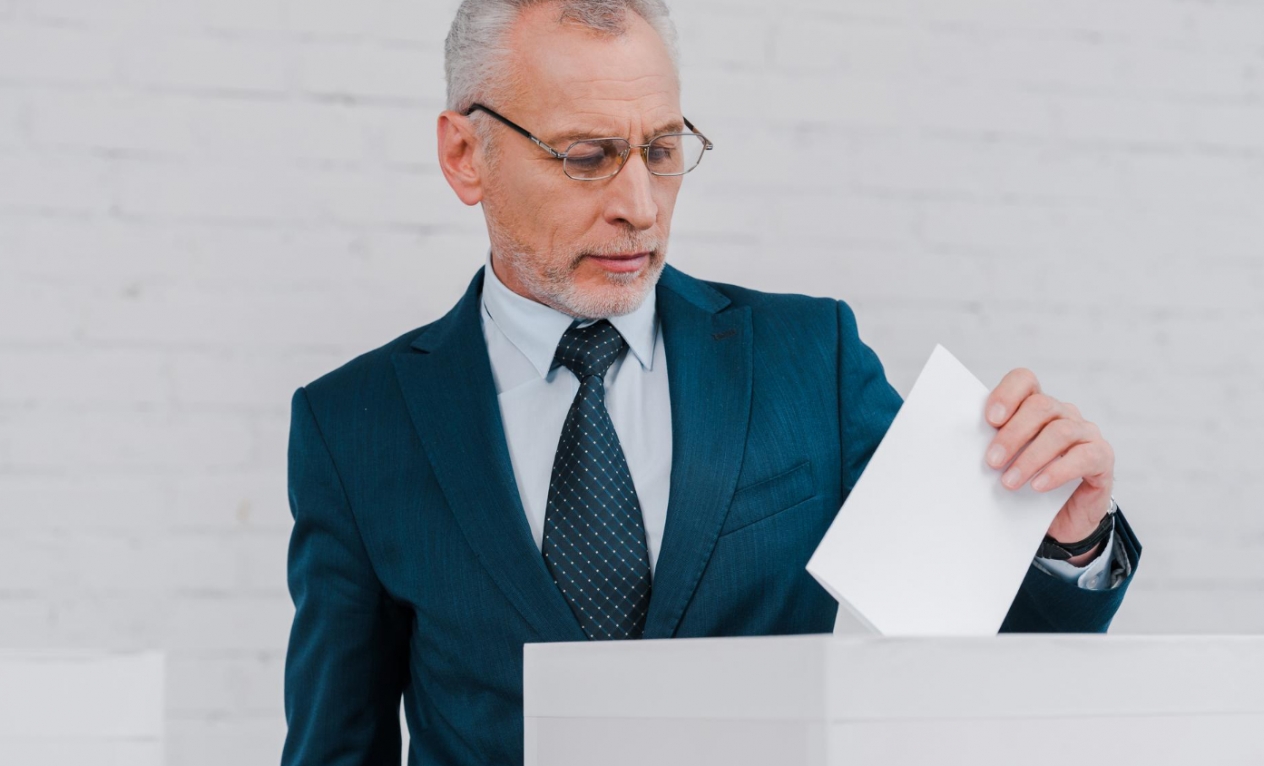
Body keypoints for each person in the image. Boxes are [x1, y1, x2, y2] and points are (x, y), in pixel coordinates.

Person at [280, 1, 1141, 763]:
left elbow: (989, 666)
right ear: (465, 156)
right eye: (586, 156)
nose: (641, 207)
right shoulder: (354, 427)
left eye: (661, 150)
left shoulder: (811, 359)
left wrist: (1068, 542)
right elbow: (336, 746)